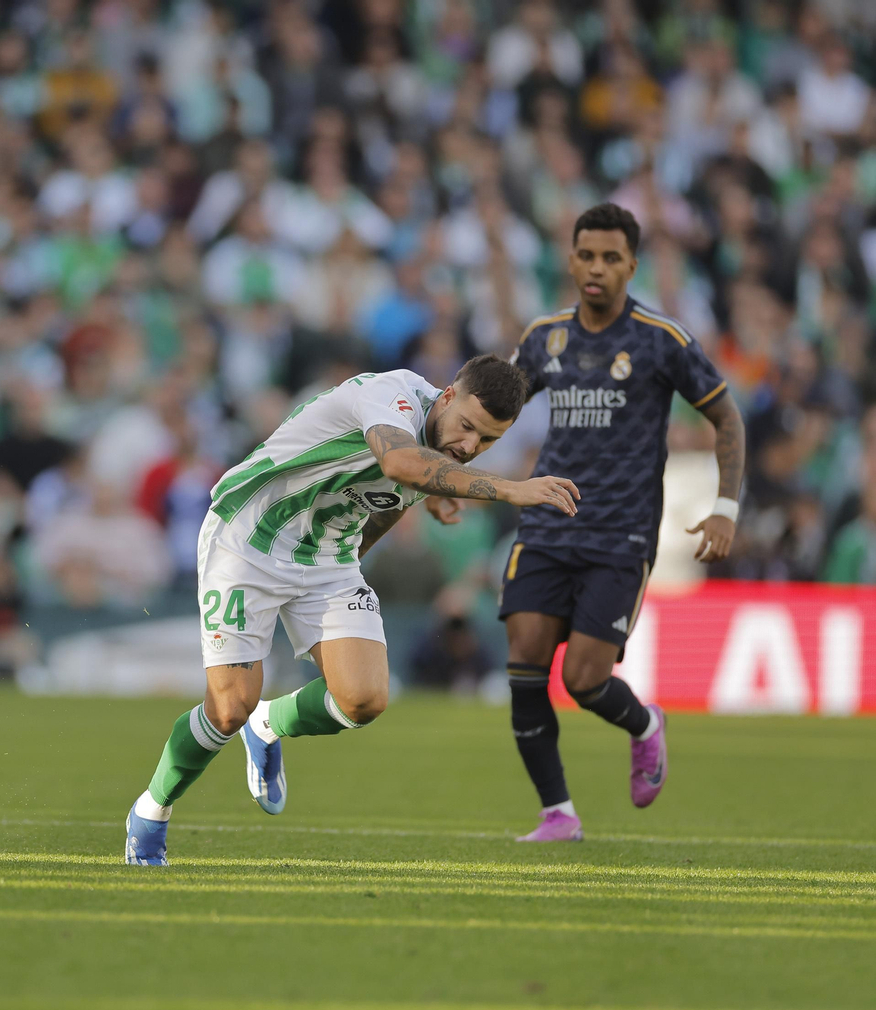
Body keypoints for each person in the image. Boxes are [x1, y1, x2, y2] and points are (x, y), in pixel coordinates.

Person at [124, 355, 580, 866]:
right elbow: (399, 464)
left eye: (488, 442)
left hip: (326, 557)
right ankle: (151, 811)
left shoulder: (436, 446)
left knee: (363, 700)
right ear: (447, 396)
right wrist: (510, 488)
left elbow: (389, 498)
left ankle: (270, 724)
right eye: (469, 428)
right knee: (229, 709)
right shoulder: (391, 397)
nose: (470, 448)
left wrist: (422, 498)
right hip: (248, 538)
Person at [502, 203, 745, 842]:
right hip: (547, 526)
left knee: (584, 680)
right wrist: (446, 477)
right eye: (587, 255)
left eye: (612, 258)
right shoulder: (544, 337)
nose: (597, 269)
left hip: (620, 536)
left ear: (632, 266)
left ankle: (645, 726)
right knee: (524, 660)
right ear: (571, 258)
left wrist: (725, 507)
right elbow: (495, 411)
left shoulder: (661, 340)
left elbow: (726, 418)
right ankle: (557, 813)